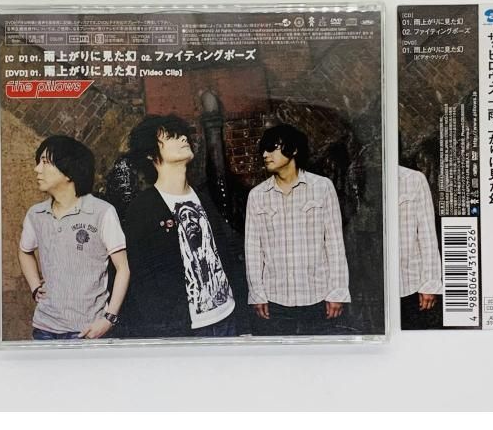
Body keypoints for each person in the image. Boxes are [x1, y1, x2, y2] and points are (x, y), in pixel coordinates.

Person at [122, 114, 245, 338]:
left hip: (228, 316)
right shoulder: (142, 209)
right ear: (150, 153)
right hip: (186, 329)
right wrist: (167, 328)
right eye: (171, 137)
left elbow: (225, 253)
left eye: (182, 135)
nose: (183, 139)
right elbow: (143, 279)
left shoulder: (203, 197)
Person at [18, 136, 129, 340]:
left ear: (69, 172)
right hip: (44, 329)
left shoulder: (102, 212)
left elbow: (123, 268)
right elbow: (25, 251)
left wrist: (109, 319)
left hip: (87, 331)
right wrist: (35, 287)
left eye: (45, 162)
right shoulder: (36, 214)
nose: (37, 169)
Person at [245, 124, 350, 335]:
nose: (265, 155)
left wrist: (337, 292)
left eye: (272, 148)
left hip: (317, 296)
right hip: (275, 300)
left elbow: (335, 243)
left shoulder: (322, 187)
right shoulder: (257, 196)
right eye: (263, 150)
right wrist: (257, 294)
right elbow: (253, 250)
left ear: (293, 150)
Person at [398, 164, 442, 329]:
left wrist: (430, 283)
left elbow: (427, 234)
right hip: (368, 283)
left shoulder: (413, 179)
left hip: (409, 282)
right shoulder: (356, 173)